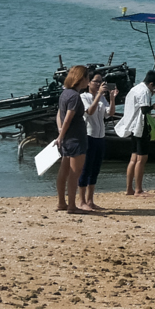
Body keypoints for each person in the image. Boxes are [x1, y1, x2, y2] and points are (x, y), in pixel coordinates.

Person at [54, 65, 91, 213]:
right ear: (81, 79)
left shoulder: (65, 93)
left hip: (68, 137)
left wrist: (60, 131)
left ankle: (61, 202)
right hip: (75, 138)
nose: (88, 81)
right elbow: (68, 118)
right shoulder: (75, 96)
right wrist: (61, 136)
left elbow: (59, 115)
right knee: (75, 173)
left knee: (64, 171)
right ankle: (71, 205)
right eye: (87, 78)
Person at [116, 69, 155, 197]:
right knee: (142, 158)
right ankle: (138, 189)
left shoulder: (134, 89)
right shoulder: (144, 91)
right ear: (151, 84)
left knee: (133, 158)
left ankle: (129, 188)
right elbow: (145, 109)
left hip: (132, 126)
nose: (154, 91)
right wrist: (154, 107)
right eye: (154, 88)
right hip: (141, 127)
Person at [78, 74, 114, 212]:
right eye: (96, 82)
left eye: (101, 82)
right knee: (86, 168)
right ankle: (81, 201)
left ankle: (90, 200)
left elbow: (110, 113)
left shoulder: (102, 98)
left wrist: (111, 98)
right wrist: (98, 95)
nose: (99, 84)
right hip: (89, 135)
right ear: (89, 83)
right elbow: (90, 112)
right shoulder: (84, 97)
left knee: (95, 169)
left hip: (100, 136)